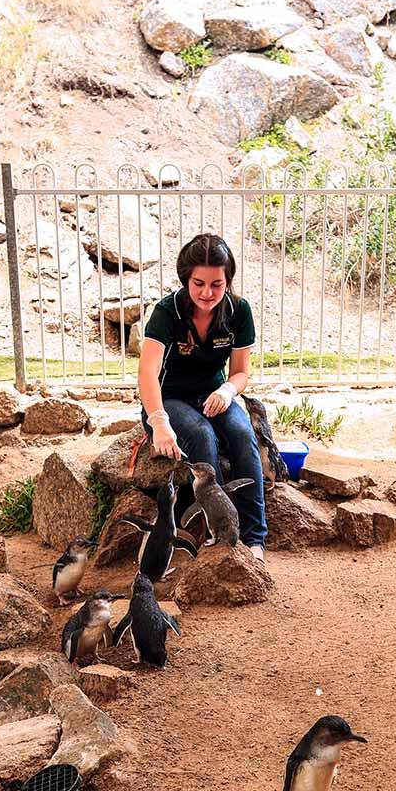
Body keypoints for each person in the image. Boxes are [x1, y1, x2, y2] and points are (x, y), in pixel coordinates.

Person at [137, 233, 267, 561]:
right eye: (198, 283)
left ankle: (255, 537)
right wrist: (159, 421)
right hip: (168, 401)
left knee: (241, 432)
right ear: (186, 279)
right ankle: (220, 537)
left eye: (217, 284)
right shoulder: (167, 312)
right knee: (201, 435)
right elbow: (147, 373)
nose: (207, 293)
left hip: (213, 394)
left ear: (228, 282)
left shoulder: (239, 311)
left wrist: (227, 390)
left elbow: (240, 372)